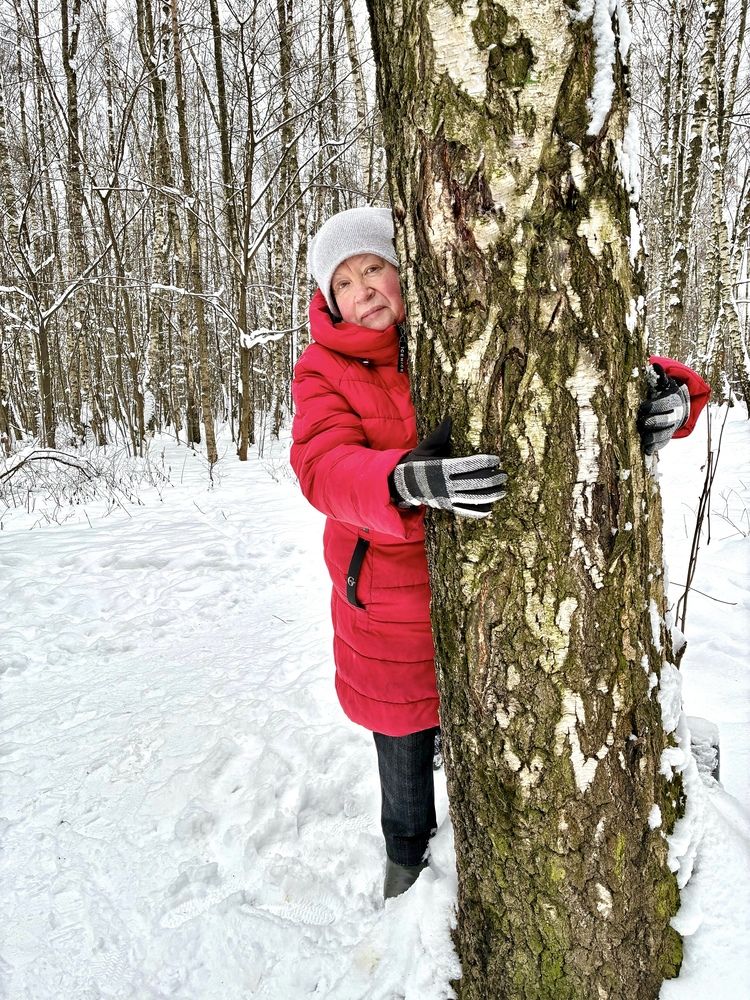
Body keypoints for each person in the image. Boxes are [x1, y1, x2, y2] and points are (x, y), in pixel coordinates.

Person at [290, 206, 710, 900]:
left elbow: (578, 350)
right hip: (390, 603)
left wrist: (670, 396)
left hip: (491, 590)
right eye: (344, 284)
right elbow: (321, 466)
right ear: (329, 303)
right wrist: (405, 479)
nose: (363, 291)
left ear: (404, 270)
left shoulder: (453, 324)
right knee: (402, 738)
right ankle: (406, 867)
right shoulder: (324, 370)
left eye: (373, 269)